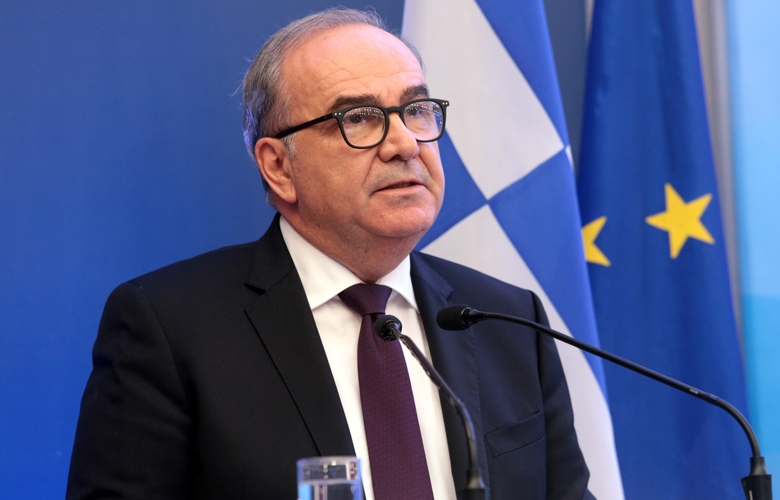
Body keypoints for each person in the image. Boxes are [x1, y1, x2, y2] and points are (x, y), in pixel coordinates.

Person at [66, 8, 593, 500]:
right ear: (278, 167)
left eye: (416, 110)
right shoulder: (172, 328)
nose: (405, 144)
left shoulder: (507, 320)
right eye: (359, 118)